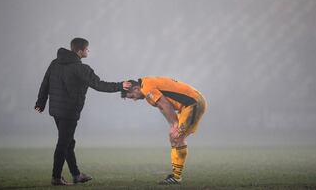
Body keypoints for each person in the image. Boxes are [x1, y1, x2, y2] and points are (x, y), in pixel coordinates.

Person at [34, 37, 130, 186]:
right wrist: (120, 85)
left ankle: (76, 175)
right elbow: (99, 85)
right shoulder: (81, 69)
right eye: (87, 49)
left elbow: (45, 83)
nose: (88, 51)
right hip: (69, 112)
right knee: (63, 143)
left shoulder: (55, 63)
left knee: (68, 143)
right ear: (80, 51)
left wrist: (40, 103)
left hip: (56, 110)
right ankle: (56, 177)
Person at [121, 77, 207, 185]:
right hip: (188, 104)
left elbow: (165, 105)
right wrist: (172, 124)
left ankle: (176, 177)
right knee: (174, 137)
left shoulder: (147, 88)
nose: (134, 99)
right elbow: (162, 106)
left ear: (135, 88)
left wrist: (175, 124)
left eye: (132, 96)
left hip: (193, 103)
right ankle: (175, 175)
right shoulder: (147, 84)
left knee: (177, 137)